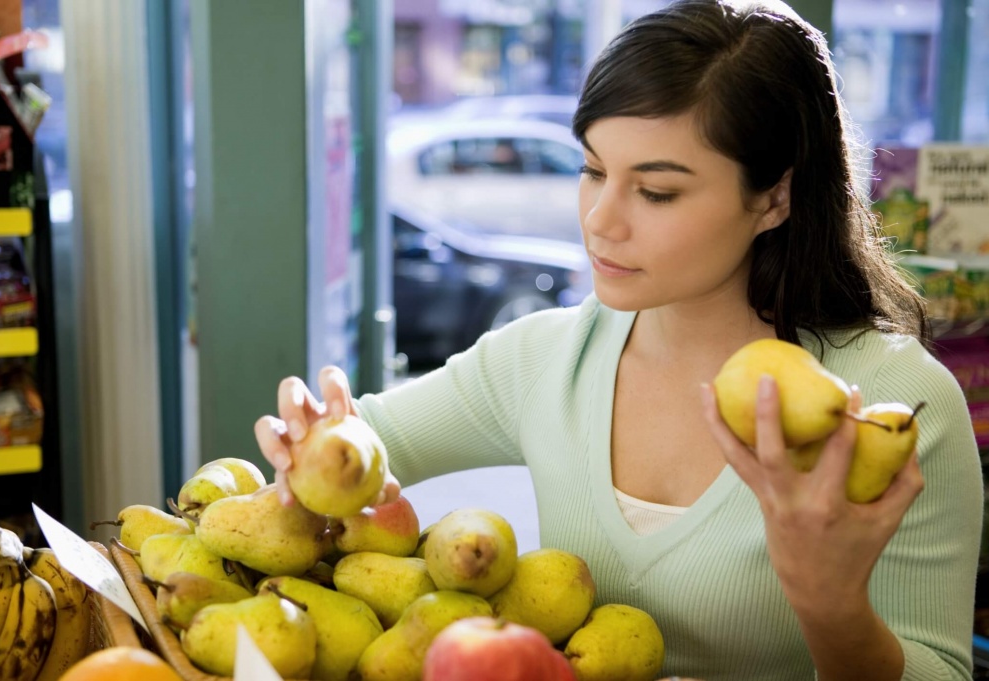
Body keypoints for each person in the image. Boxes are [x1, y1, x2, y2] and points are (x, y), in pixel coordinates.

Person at [255, 1, 983, 679]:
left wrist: (833, 607)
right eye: (593, 169)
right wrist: (312, 442)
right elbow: (367, 441)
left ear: (774, 197)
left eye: (656, 191)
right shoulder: (545, 358)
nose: (601, 220)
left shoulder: (894, 405)